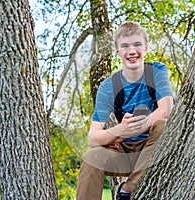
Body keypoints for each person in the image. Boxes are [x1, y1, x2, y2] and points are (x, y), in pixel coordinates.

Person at [77, 21, 174, 200]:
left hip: (153, 149)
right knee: (92, 157)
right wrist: (119, 131)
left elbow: (166, 110)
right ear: (118, 52)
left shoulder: (157, 72)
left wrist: (136, 127)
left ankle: (128, 189)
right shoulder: (108, 87)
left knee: (162, 124)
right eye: (125, 46)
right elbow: (93, 138)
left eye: (137, 45)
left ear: (145, 48)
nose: (132, 51)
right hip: (124, 153)